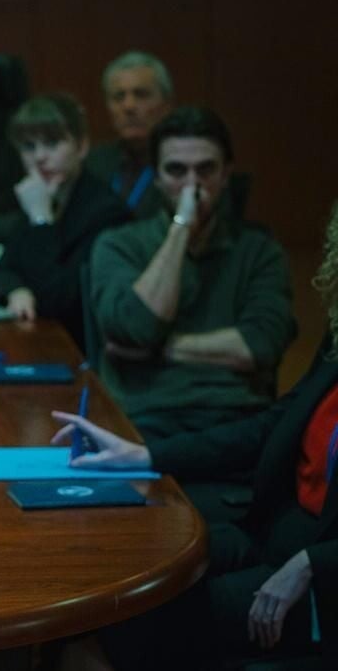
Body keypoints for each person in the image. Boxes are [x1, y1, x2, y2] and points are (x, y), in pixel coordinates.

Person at [48, 203, 338, 670]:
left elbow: (259, 344)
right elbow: (270, 426)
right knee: (127, 567)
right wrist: (145, 454)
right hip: (275, 534)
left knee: (152, 618)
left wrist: (313, 563)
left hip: (321, 573)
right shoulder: (337, 338)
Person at [89, 107, 295, 442]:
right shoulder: (119, 244)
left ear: (226, 174)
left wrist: (158, 349)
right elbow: (136, 328)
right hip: (144, 417)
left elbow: (259, 345)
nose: (192, 185)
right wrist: (181, 227)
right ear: (156, 177)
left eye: (206, 169)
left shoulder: (260, 251)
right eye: (176, 170)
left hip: (235, 416)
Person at [0, 93, 129, 350]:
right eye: (29, 147)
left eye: (52, 143)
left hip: (79, 350)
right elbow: (0, 271)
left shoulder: (105, 213)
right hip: (39, 337)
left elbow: (57, 301)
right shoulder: (43, 197)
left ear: (82, 146)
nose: (39, 157)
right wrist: (16, 290)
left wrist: (40, 220)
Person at [84, 50, 174, 220]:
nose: (129, 106)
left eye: (141, 94)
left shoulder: (182, 165)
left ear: (166, 104)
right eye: (119, 97)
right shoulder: (92, 165)